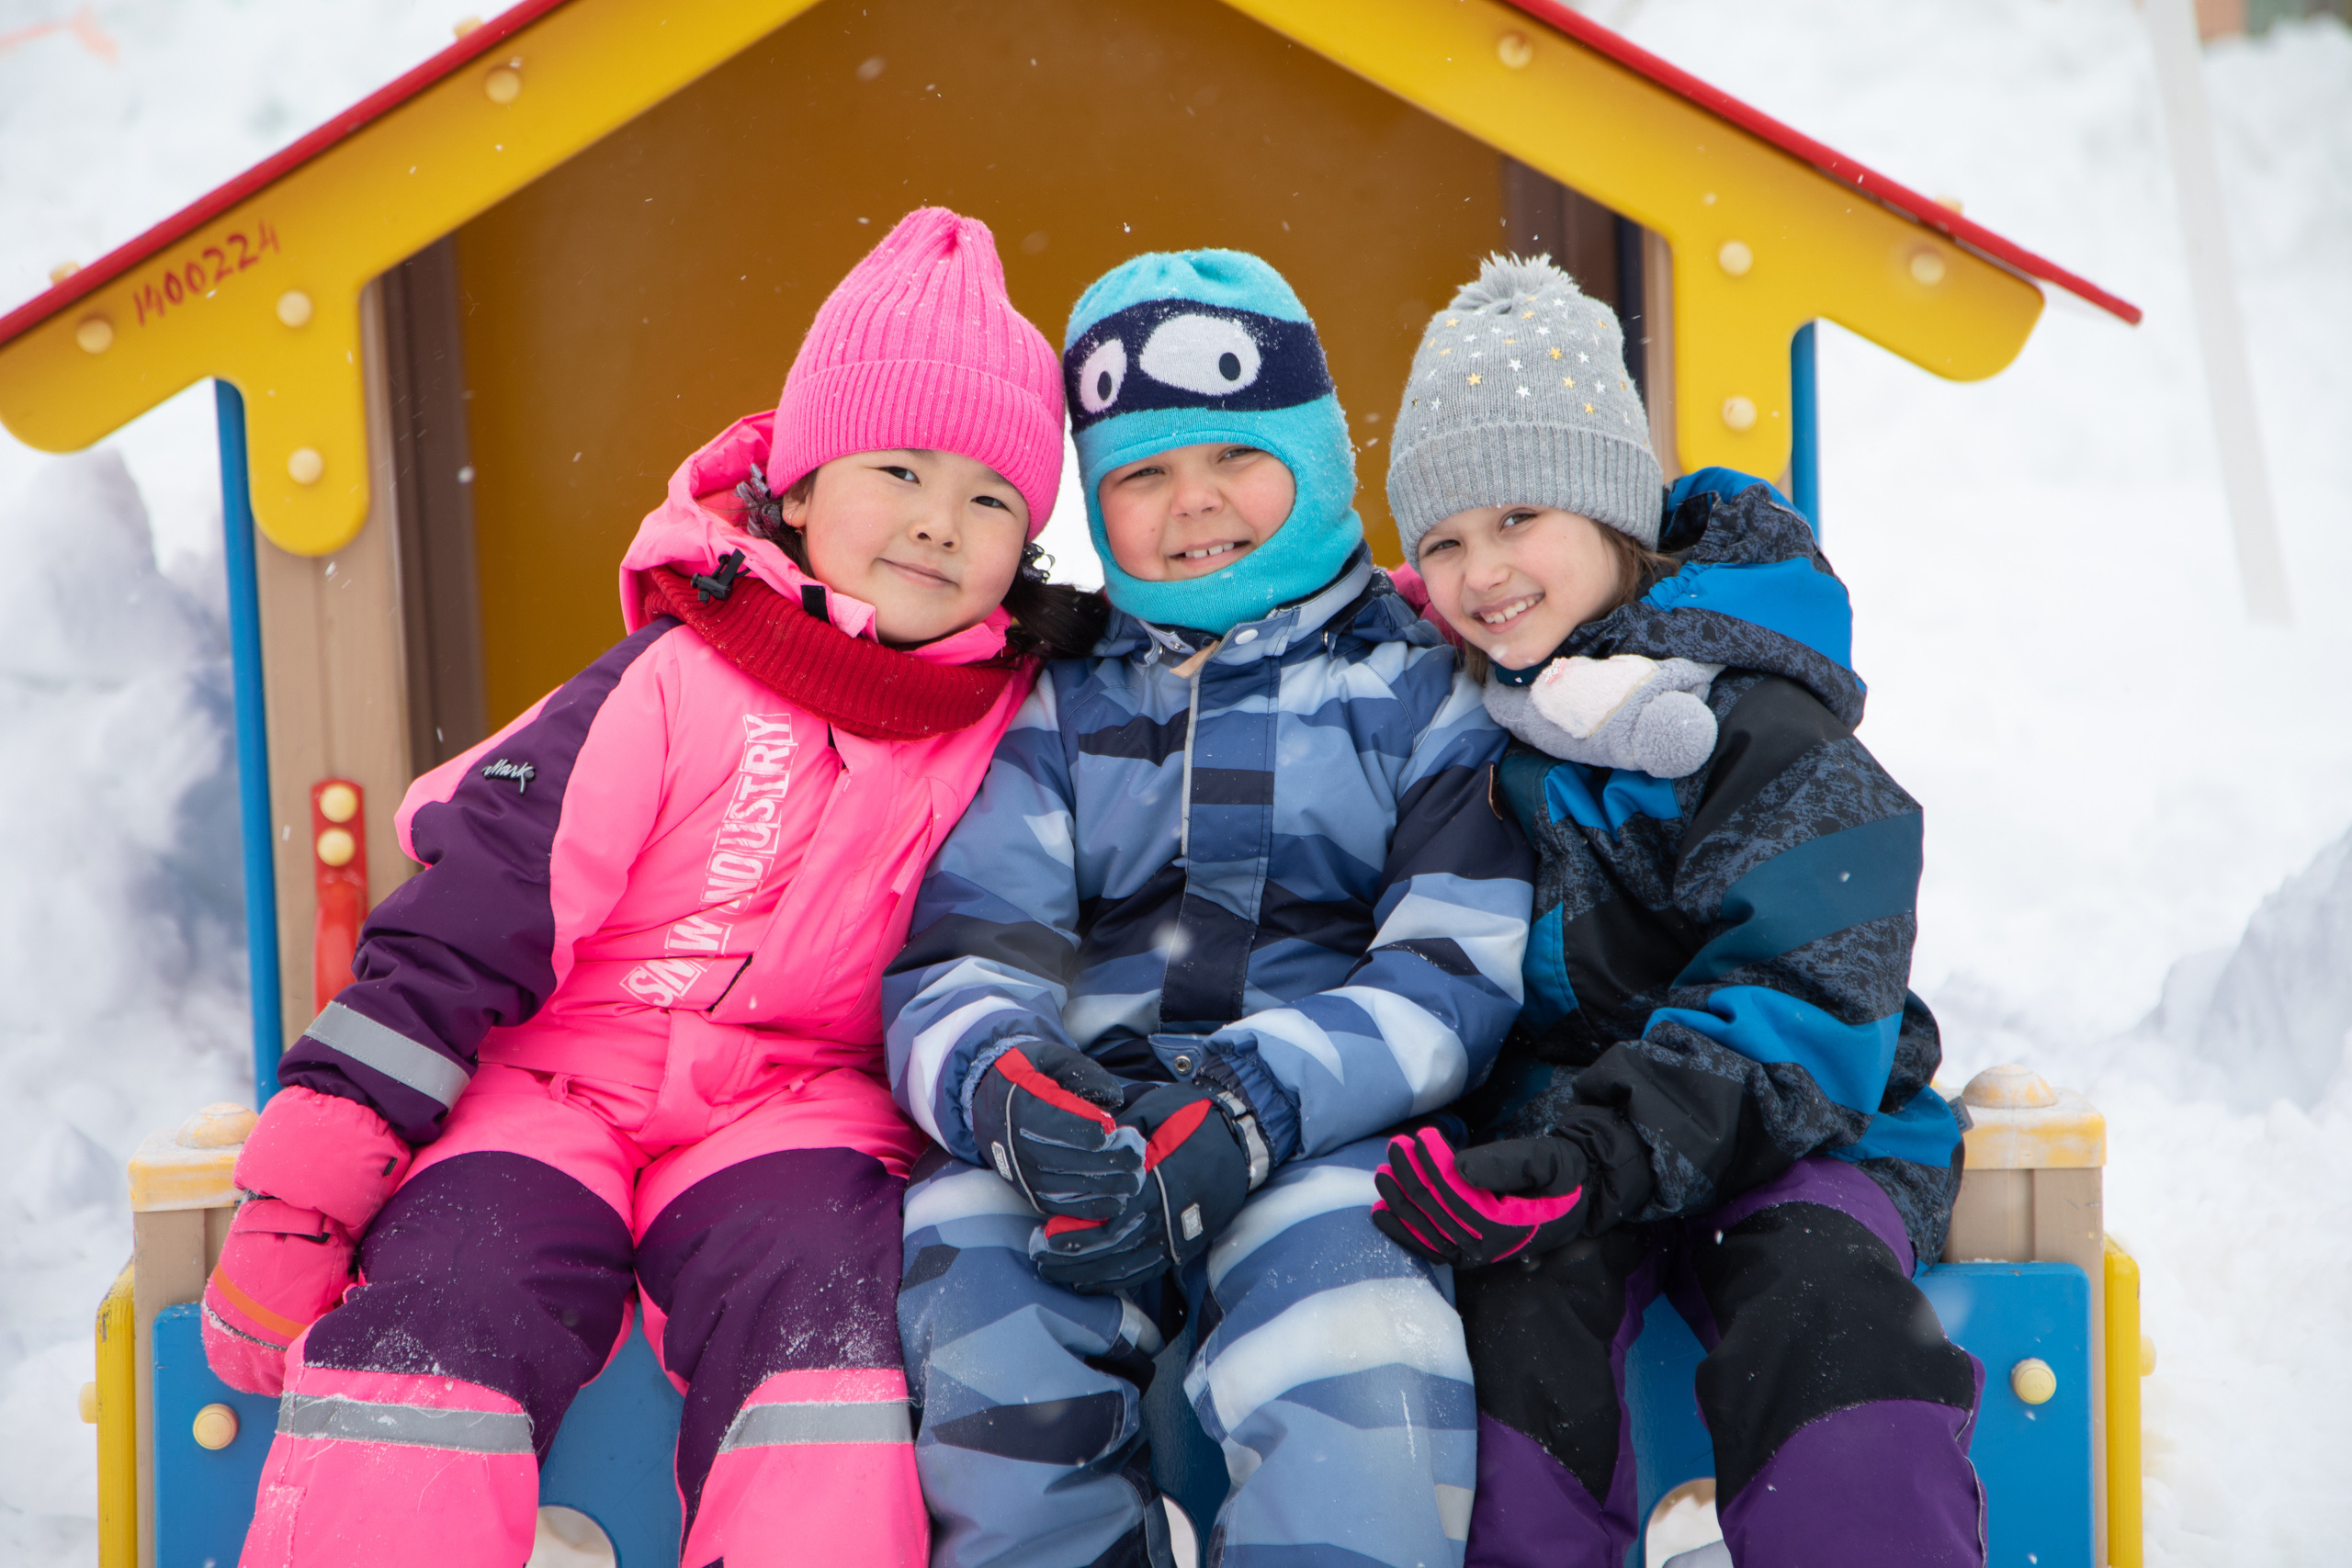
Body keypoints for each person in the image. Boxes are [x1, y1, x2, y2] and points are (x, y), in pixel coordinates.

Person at [201, 209, 1101, 1568]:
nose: (937, 520)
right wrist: (302, 1198)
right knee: (446, 1308)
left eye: (990, 499)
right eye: (898, 468)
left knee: (832, 1340)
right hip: (540, 1087)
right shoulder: (672, 681)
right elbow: (461, 933)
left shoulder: (1010, 718)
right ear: (793, 489)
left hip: (794, 1113)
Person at [884, 249, 1535, 1568]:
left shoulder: (1421, 688)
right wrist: (1011, 1095)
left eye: (1235, 458)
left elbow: (1452, 969)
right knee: (978, 1311)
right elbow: (968, 946)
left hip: (1319, 1130)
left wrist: (1252, 1106)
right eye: (1140, 474)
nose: (1193, 506)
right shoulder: (1065, 704)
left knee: (1362, 1372)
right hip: (1085, 1120)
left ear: (1312, 451)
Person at [1371, 256, 1984, 1568]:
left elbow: (1811, 994)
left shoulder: (1757, 719)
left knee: (1828, 1318)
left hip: (1793, 1123)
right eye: (1444, 542)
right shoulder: (1459, 728)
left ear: (1611, 509)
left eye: (1520, 514)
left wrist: (1602, 1152)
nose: (1483, 571)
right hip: (1555, 1149)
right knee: (1512, 1338)